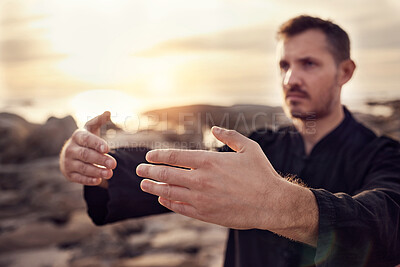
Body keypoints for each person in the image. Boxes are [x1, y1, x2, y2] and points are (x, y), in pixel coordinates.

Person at [59, 15, 400, 266]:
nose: (291, 78)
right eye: (284, 65)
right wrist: (96, 163)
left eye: (308, 63)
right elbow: (177, 170)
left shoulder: (383, 154)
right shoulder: (257, 143)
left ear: (345, 72)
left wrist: (276, 203)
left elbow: (387, 224)